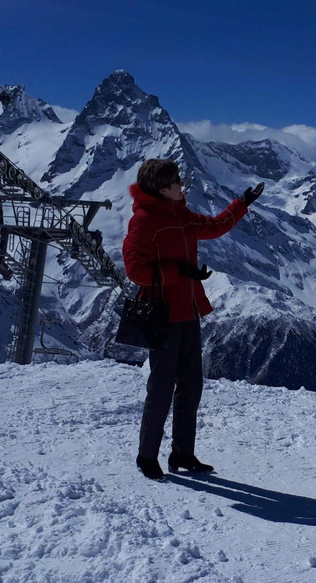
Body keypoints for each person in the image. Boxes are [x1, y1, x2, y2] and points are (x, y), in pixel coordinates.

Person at [122, 158, 264, 480]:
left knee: (191, 386)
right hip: (161, 314)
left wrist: (241, 204)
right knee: (160, 387)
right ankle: (147, 457)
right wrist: (178, 272)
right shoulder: (143, 221)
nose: (182, 186)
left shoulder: (180, 214)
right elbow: (135, 270)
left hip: (188, 310)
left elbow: (213, 227)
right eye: (176, 182)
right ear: (162, 189)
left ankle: (182, 454)